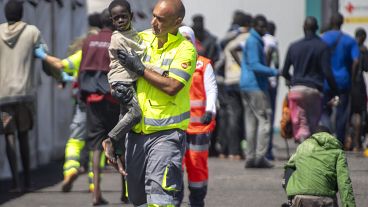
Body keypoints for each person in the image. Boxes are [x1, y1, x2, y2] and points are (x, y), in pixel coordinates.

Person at [111, 0, 197, 206]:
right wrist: (117, 138)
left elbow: (172, 86)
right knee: (137, 198)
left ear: (177, 22)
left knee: (160, 197)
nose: (153, 22)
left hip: (166, 135)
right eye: (154, 16)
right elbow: (120, 72)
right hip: (135, 135)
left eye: (161, 19)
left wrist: (140, 69)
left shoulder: (185, 50)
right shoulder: (142, 39)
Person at [0, 1, 62, 192]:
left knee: (9, 136)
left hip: (3, 95)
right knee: (24, 136)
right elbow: (44, 57)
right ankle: (27, 180)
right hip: (25, 94)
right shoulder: (32, 31)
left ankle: (15, 183)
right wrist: (56, 76)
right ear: (22, 13)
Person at [77, 9, 120, 205]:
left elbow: (81, 70)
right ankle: (126, 191)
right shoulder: (117, 40)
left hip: (92, 99)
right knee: (118, 143)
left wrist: (81, 97)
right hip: (112, 99)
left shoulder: (88, 41)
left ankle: (95, 193)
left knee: (95, 146)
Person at [282, 16, 338, 143]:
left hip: (296, 91)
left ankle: (302, 147)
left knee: (301, 123)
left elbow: (284, 71)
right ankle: (311, 152)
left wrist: (293, 81)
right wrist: (335, 91)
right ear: (317, 28)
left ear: (303, 28)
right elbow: (327, 72)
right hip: (314, 91)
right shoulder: (322, 46)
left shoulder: (293, 46)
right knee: (312, 125)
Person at [179, 26, 218, 207]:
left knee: (196, 165)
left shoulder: (203, 64)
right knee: (174, 166)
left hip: (198, 127)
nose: (184, 42)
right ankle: (174, 200)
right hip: (176, 126)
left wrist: (210, 110)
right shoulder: (170, 62)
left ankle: (197, 200)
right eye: (181, 38)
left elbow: (211, 88)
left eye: (188, 39)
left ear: (194, 42)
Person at [240, 15, 279, 168]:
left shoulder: (252, 40)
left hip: (246, 85)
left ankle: (250, 156)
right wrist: (274, 71)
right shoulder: (254, 41)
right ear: (254, 26)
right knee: (264, 120)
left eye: (265, 26)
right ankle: (260, 156)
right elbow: (255, 65)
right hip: (256, 86)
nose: (264, 29)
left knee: (250, 122)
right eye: (261, 26)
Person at [283, 126, 356, 207]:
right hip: (326, 199)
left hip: (300, 198)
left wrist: (290, 196)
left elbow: (289, 168)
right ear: (331, 137)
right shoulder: (338, 152)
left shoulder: (302, 147)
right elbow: (344, 183)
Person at [320, 13, 360, 146]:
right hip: (343, 81)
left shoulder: (322, 39)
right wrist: (352, 78)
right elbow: (356, 61)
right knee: (342, 113)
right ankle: (340, 142)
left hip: (326, 81)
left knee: (325, 110)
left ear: (331, 22)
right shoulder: (350, 40)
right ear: (342, 23)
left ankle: (327, 136)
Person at [218, 12, 252, 160]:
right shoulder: (250, 39)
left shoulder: (229, 41)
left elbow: (220, 59)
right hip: (244, 81)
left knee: (232, 117)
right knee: (247, 117)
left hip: (229, 81)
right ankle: (245, 149)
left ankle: (232, 151)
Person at [346, 28, 368, 151]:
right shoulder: (363, 51)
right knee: (359, 113)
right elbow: (366, 68)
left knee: (348, 114)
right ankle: (357, 143)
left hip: (348, 84)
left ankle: (348, 141)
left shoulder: (349, 48)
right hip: (359, 85)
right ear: (363, 37)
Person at [263, 21, 279, 160]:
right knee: (270, 116)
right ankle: (267, 151)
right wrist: (269, 70)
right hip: (271, 82)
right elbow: (276, 61)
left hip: (260, 83)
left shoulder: (259, 39)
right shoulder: (273, 41)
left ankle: (260, 149)